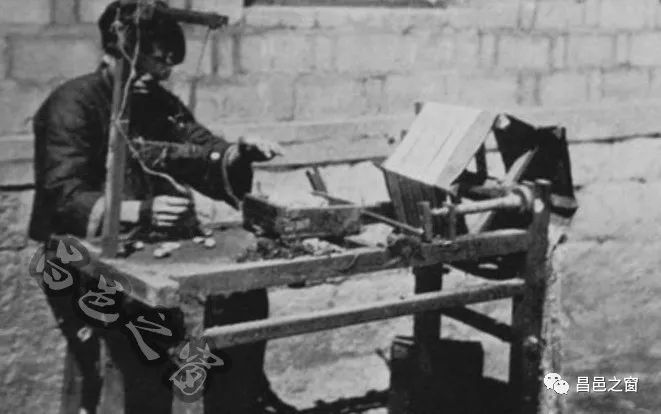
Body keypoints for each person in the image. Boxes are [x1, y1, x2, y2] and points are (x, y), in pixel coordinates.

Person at [28, 1, 295, 413]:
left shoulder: (154, 101)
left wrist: (239, 153)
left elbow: (201, 148)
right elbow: (62, 195)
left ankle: (240, 402)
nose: (163, 75)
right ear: (121, 50)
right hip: (72, 260)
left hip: (144, 252)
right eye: (156, 63)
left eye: (169, 66)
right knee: (147, 335)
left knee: (241, 293)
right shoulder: (72, 104)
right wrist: (140, 212)